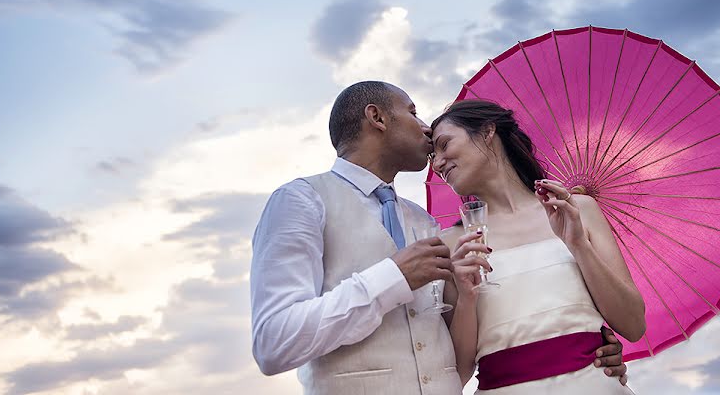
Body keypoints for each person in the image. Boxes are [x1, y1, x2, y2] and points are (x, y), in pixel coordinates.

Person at [251, 81, 629, 395]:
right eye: (413, 112)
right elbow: (273, 341)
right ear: (377, 117)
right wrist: (393, 276)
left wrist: (583, 347)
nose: (426, 130)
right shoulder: (303, 200)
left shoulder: (424, 223)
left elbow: (449, 344)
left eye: (443, 142)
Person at [430, 99, 645, 394]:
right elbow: (458, 373)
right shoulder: (452, 243)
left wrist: (578, 244)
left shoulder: (577, 210)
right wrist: (467, 297)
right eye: (432, 155)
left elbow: (633, 325)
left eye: (444, 145)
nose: (437, 163)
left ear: (487, 131)